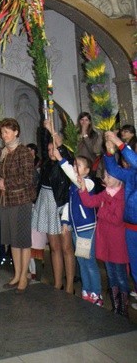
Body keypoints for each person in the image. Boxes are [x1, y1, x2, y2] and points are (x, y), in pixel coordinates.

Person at [54, 149, 103, 306]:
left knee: (89, 262)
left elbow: (75, 179)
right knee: (81, 261)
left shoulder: (87, 183)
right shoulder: (73, 186)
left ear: (87, 170)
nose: (75, 167)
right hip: (76, 229)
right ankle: (87, 290)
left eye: (78, 165)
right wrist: (65, 223)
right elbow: (69, 205)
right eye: (74, 164)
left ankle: (97, 293)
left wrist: (61, 159)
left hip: (86, 229)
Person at [78, 169, 129, 316]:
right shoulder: (105, 193)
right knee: (111, 274)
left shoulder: (122, 196)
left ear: (118, 179)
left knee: (120, 274)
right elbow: (89, 202)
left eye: (108, 176)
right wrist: (83, 189)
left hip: (117, 242)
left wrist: (101, 212)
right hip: (106, 240)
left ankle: (123, 308)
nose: (104, 178)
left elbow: (117, 218)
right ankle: (116, 305)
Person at [32, 123, 75, 293]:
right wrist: (45, 130)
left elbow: (62, 150)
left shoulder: (65, 164)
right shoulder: (47, 163)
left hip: (60, 205)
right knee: (55, 247)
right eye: (49, 149)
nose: (51, 152)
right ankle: (58, 283)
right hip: (46, 203)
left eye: (54, 149)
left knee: (66, 248)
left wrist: (52, 130)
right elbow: (43, 143)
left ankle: (70, 285)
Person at [0, 118, 36, 293]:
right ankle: (17, 274)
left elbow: (27, 178)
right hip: (6, 201)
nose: (4, 135)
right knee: (13, 240)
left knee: (23, 241)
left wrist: (7, 183)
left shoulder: (23, 152)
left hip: (21, 201)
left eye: (7, 132)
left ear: (16, 132)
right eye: (2, 132)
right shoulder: (3, 152)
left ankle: (24, 276)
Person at [104, 130, 137, 308]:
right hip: (131, 227)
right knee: (135, 267)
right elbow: (113, 170)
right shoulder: (132, 174)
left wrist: (118, 142)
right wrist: (109, 152)